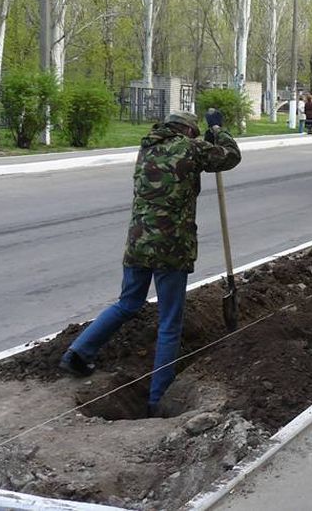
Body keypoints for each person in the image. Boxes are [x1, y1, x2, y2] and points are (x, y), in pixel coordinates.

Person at [59, 110, 241, 417]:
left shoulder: (146, 148)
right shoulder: (190, 148)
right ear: (186, 130)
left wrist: (204, 141)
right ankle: (159, 397)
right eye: (193, 132)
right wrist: (218, 130)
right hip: (171, 248)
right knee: (170, 322)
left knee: (128, 303)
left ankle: (78, 352)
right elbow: (230, 156)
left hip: (138, 243)